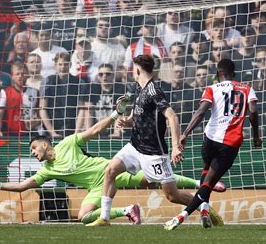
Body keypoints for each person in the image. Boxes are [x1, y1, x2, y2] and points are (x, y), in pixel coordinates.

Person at [0, 95, 225, 225]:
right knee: (83, 216)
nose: (33, 153)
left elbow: (94, 130)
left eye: (33, 148)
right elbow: (23, 185)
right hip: (95, 188)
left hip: (111, 171)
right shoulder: (48, 171)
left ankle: (201, 184)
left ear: (44, 143)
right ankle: (127, 210)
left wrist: (116, 114)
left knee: (154, 180)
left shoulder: (69, 142)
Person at [86, 54, 219, 227]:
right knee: (110, 170)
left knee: (173, 196)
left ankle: (203, 205)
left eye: (132, 68)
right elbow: (140, 113)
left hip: (154, 152)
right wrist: (128, 121)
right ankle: (104, 217)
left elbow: (172, 117)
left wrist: (175, 147)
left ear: (137, 69)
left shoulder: (153, 90)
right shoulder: (137, 87)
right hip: (135, 146)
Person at [164, 58, 262, 230]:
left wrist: (185, 133)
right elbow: (253, 111)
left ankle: (204, 211)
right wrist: (256, 135)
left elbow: (201, 112)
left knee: (206, 169)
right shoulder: (247, 89)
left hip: (209, 140)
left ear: (217, 74)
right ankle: (181, 217)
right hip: (229, 144)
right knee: (208, 184)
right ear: (234, 74)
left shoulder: (212, 88)